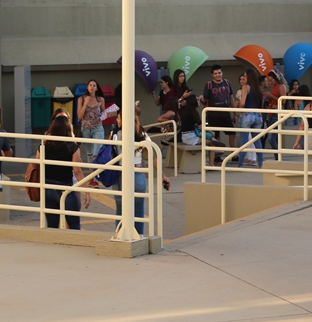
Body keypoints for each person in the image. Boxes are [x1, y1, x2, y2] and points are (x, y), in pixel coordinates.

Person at [110, 104, 169, 236]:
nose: (117, 120)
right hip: (138, 173)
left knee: (120, 209)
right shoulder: (141, 134)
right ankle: (139, 236)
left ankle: (120, 236)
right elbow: (152, 157)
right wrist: (162, 176)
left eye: (119, 118)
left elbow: (109, 152)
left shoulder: (114, 134)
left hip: (120, 174)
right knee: (138, 210)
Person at [41, 113, 90, 230]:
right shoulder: (72, 147)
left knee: (52, 226)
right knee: (74, 225)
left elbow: (38, 164)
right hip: (66, 189)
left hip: (48, 188)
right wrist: (86, 191)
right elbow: (77, 171)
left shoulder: (44, 145)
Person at [178, 98, 225, 165]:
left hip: (188, 136)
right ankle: (212, 161)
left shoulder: (187, 112)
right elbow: (201, 126)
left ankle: (215, 150)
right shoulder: (193, 113)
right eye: (197, 99)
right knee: (212, 143)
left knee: (211, 142)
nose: (198, 101)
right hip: (190, 138)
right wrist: (211, 131)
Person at [234, 69, 265, 168]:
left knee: (244, 141)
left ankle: (240, 164)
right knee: (257, 141)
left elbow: (243, 102)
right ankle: (261, 163)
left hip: (247, 114)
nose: (244, 77)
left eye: (245, 75)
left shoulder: (245, 87)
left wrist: (239, 109)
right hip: (258, 115)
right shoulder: (257, 88)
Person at [200, 65, 235, 151]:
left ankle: (234, 154)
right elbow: (205, 101)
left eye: (219, 73)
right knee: (216, 135)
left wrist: (235, 113)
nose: (218, 75)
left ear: (222, 73)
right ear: (212, 75)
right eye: (215, 73)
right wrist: (201, 100)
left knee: (232, 134)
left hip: (226, 113)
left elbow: (231, 98)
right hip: (213, 114)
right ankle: (216, 154)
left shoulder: (227, 82)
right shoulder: (209, 84)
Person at [76, 79, 106, 164]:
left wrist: (109, 114)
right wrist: (85, 103)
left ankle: (97, 172)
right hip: (85, 129)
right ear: (87, 87)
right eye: (90, 85)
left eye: (94, 85)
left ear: (96, 88)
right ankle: (92, 172)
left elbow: (104, 113)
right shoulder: (81, 99)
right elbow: (79, 116)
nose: (92, 87)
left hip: (98, 128)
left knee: (96, 153)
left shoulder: (100, 99)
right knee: (89, 154)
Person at [261, 71, 287, 159]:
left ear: (276, 78)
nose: (270, 82)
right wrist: (268, 97)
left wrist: (271, 96)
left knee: (271, 137)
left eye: (271, 80)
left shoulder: (281, 86)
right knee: (272, 136)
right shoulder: (274, 87)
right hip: (272, 111)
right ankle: (277, 156)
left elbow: (283, 101)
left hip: (277, 112)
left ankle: (278, 156)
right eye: (268, 81)